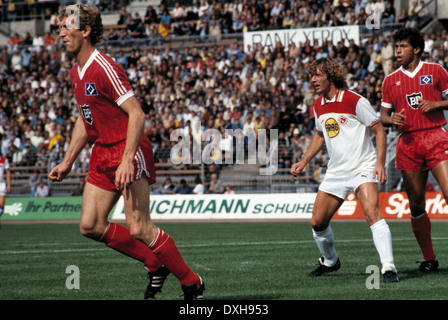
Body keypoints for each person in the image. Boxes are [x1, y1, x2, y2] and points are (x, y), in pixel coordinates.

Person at [49, 3, 204, 300]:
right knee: (90, 225)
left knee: (139, 227)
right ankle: (153, 263)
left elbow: (137, 114)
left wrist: (127, 159)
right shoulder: (75, 72)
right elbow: (85, 117)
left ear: (86, 30)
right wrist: (68, 160)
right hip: (102, 150)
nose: (61, 33)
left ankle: (190, 280)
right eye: (60, 27)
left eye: (67, 27)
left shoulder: (104, 67)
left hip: (127, 148)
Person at [290, 58, 398, 283]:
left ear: (331, 76)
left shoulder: (354, 100)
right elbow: (320, 134)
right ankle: (330, 262)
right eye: (312, 75)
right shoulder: (318, 105)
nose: (313, 80)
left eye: (318, 75)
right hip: (336, 172)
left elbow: (379, 131)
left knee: (371, 213)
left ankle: (388, 268)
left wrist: (379, 163)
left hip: (363, 167)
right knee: (317, 222)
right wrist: (304, 160)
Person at [380, 27, 448, 273]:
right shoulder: (390, 80)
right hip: (407, 143)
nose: (397, 51)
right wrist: (392, 119)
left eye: (403, 46)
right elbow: (383, 116)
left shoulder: (436, 71)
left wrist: (437, 103)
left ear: (417, 49)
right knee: (417, 204)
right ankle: (429, 258)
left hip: (436, 138)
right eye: (396, 46)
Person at [0, 155, 11, 221]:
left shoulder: (4, 159)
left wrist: (9, 184)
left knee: (1, 204)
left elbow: (8, 172)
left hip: (1, 184)